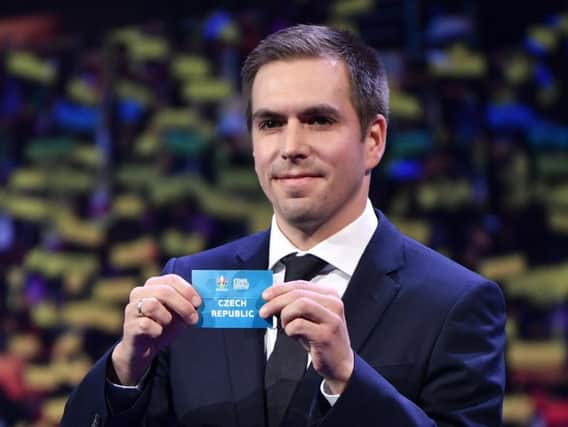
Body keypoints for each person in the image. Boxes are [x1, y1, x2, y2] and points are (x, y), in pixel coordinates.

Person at [61, 24, 506, 427]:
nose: (291, 146)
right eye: (271, 123)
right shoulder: (189, 284)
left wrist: (348, 380)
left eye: (318, 120)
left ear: (373, 140)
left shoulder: (456, 303)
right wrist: (125, 371)